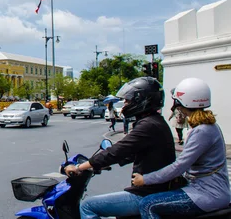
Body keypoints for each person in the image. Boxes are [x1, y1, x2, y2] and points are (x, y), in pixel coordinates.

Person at [64, 77, 177, 219]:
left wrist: (80, 167)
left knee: (88, 206)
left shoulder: (148, 125)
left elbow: (117, 151)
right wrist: (99, 165)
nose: (125, 103)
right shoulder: (154, 122)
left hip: (148, 193)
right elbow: (129, 153)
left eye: (128, 100)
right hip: (156, 189)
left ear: (141, 100)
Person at [131, 78, 231, 218]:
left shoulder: (202, 131)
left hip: (208, 193)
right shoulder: (209, 126)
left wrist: (145, 179)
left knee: (148, 204)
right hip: (208, 190)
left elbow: (180, 166)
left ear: (183, 103)